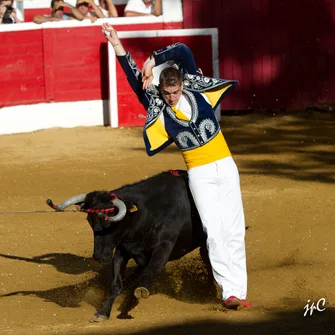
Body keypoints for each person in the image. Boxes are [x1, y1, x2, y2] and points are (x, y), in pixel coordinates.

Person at [101, 23, 252, 310]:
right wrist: (117, 44)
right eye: (167, 93)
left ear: (182, 84)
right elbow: (134, 80)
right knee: (214, 229)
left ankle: (240, 291)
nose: (171, 97)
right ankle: (228, 293)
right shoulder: (157, 103)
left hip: (226, 166)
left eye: (175, 91)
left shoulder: (195, 87)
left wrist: (153, 59)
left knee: (234, 230)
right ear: (161, 89)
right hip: (200, 173)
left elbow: (182, 50)